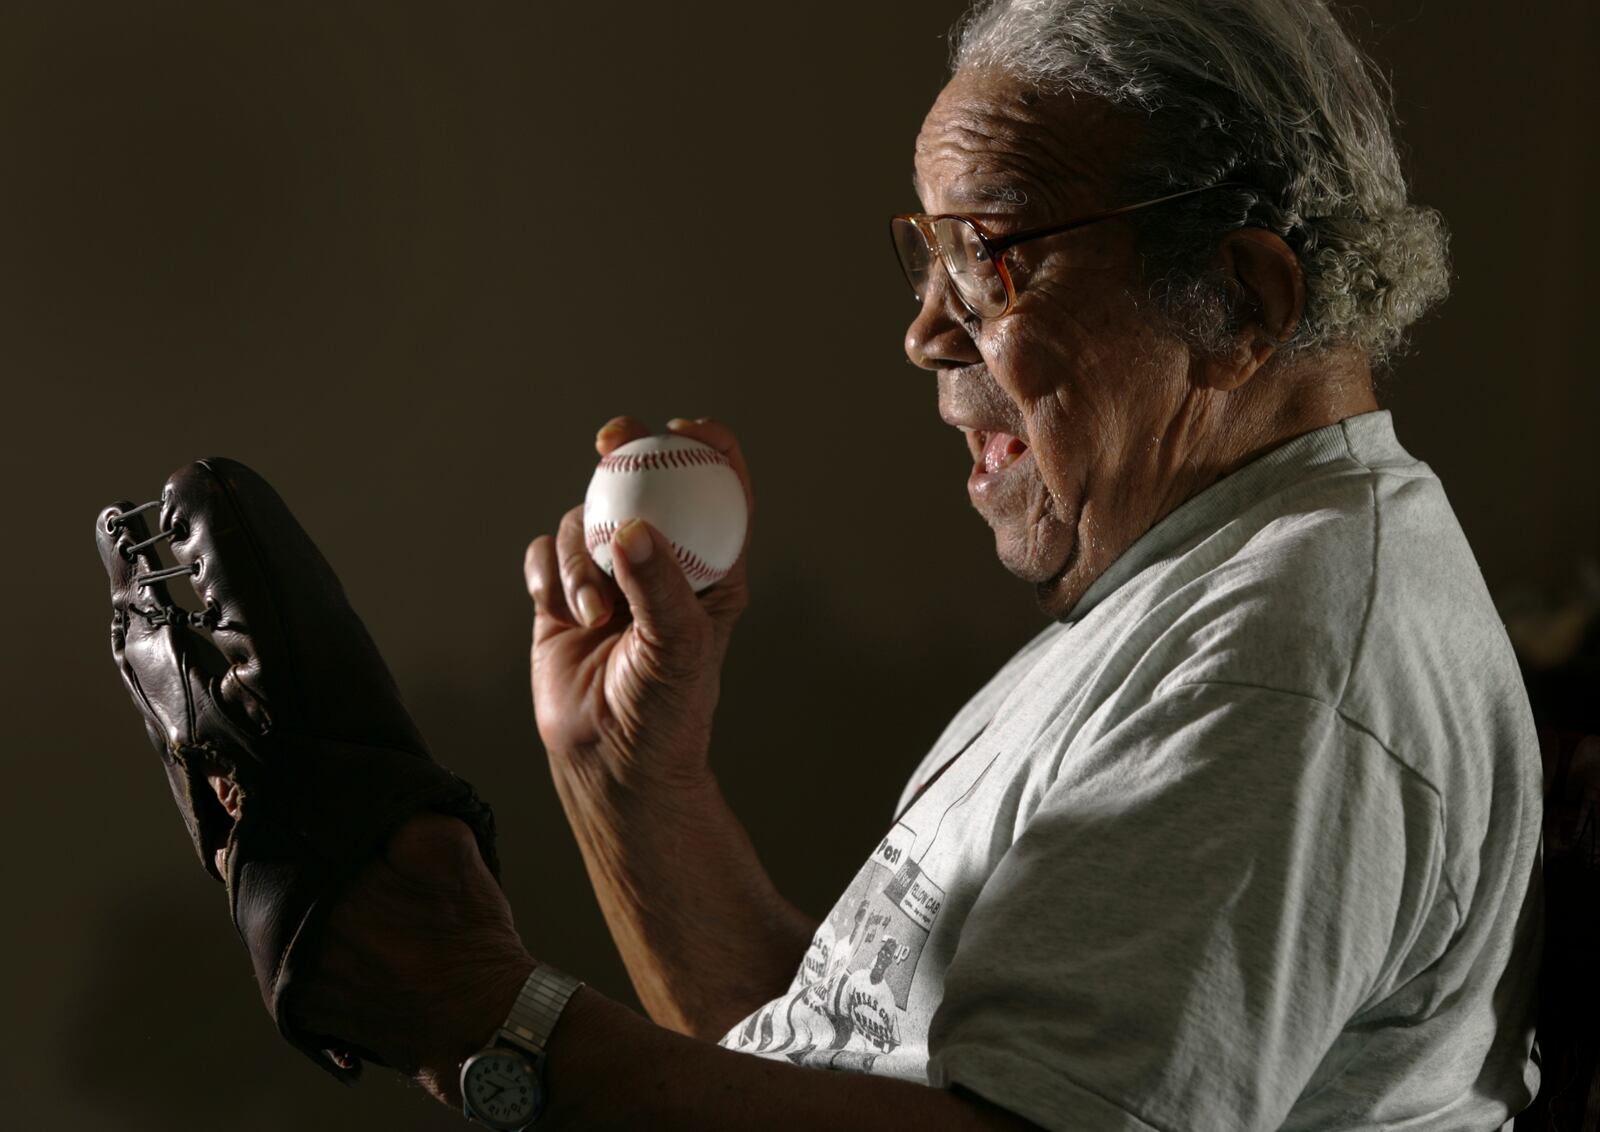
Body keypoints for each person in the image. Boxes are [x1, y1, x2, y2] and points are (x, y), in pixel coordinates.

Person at [235, 1, 1547, 1128]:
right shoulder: (1202, 588)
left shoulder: (1288, 674)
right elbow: (852, 1065)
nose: (925, 333)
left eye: (990, 259)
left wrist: (472, 1009)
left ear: (1241, 303)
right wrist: (634, 788)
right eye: (926, 257)